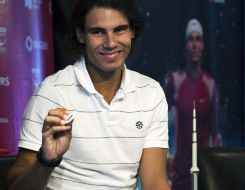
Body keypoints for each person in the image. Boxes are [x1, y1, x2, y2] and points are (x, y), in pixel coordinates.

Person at [7, 0, 171, 190]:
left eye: (119, 30)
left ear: (132, 31)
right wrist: (46, 160)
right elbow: (16, 187)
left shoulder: (151, 93)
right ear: (80, 34)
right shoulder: (52, 92)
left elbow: (155, 184)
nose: (110, 43)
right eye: (98, 32)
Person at [164, 18, 220, 190]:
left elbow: (215, 133)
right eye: (191, 39)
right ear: (185, 45)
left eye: (198, 39)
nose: (194, 44)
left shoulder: (210, 84)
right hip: (179, 172)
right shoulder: (175, 81)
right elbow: (159, 122)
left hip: (203, 171)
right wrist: (166, 155)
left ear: (203, 44)